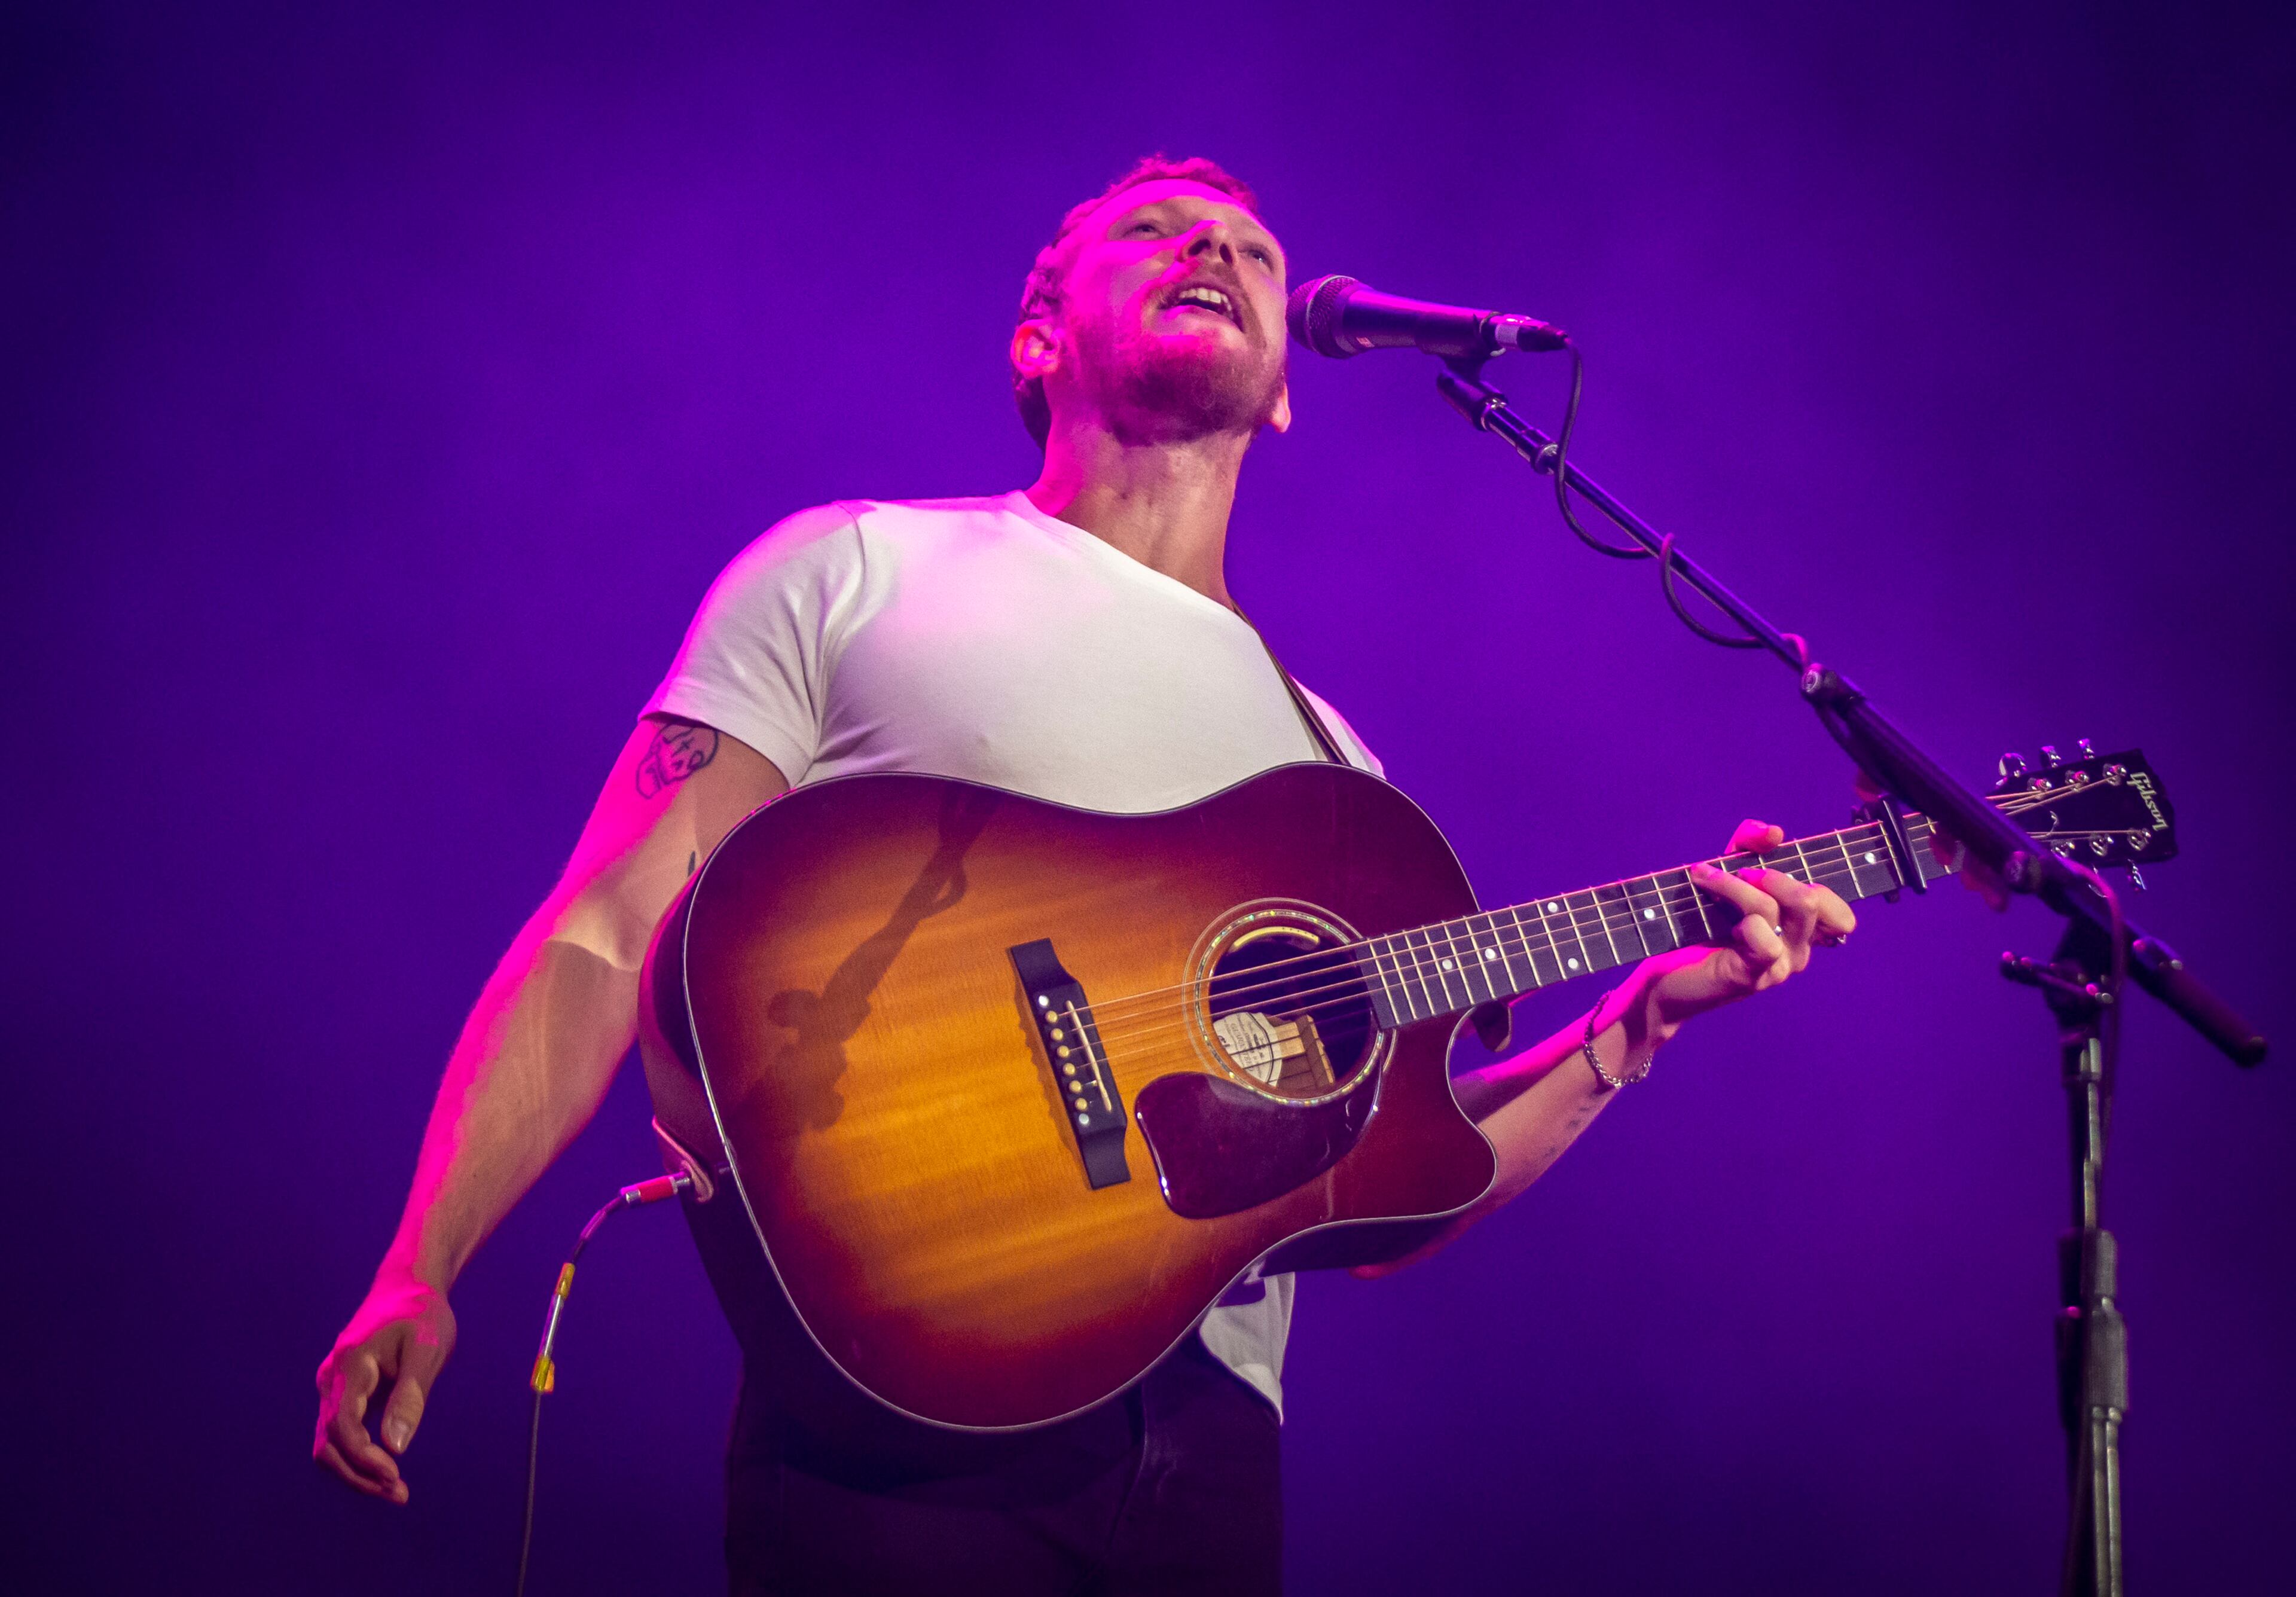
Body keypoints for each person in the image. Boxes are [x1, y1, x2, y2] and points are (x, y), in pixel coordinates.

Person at [314, 155, 1856, 1593]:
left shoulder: (1338, 779)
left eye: (1254, 248)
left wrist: (1635, 1028)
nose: (1218, 254)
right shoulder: (859, 570)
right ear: (1039, 337)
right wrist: (422, 1262)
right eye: (1161, 231)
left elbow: (1380, 1196)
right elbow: (608, 931)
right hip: (907, 1403)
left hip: (1210, 1464)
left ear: (1286, 399)